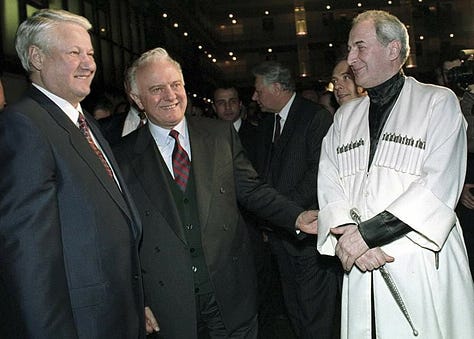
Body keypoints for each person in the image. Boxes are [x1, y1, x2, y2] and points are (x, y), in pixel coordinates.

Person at [112, 47, 318, 339]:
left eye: (176, 85)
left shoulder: (220, 135)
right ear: (136, 98)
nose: (170, 95)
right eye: (157, 89)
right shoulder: (121, 157)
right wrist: (137, 299)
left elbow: (253, 190)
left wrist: (296, 217)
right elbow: (119, 238)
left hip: (230, 296)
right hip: (168, 305)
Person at [317, 10, 474, 339]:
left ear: (394, 50)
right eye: (348, 49)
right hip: (361, 262)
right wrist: (351, 236)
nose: (351, 58)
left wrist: (366, 236)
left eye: (360, 47)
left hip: (420, 262)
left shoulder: (437, 102)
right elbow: (330, 184)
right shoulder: (345, 118)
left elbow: (437, 186)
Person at [0, 9, 146, 338]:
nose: (89, 64)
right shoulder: (24, 126)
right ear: (36, 57)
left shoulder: (85, 124)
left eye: (91, 53)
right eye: (74, 53)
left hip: (118, 316)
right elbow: (29, 258)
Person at [250, 60, 341, 339]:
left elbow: (319, 173)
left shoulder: (314, 117)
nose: (254, 97)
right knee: (295, 310)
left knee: (316, 314)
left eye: (258, 90)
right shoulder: (269, 123)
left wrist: (284, 211)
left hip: (308, 238)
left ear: (276, 88)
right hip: (282, 238)